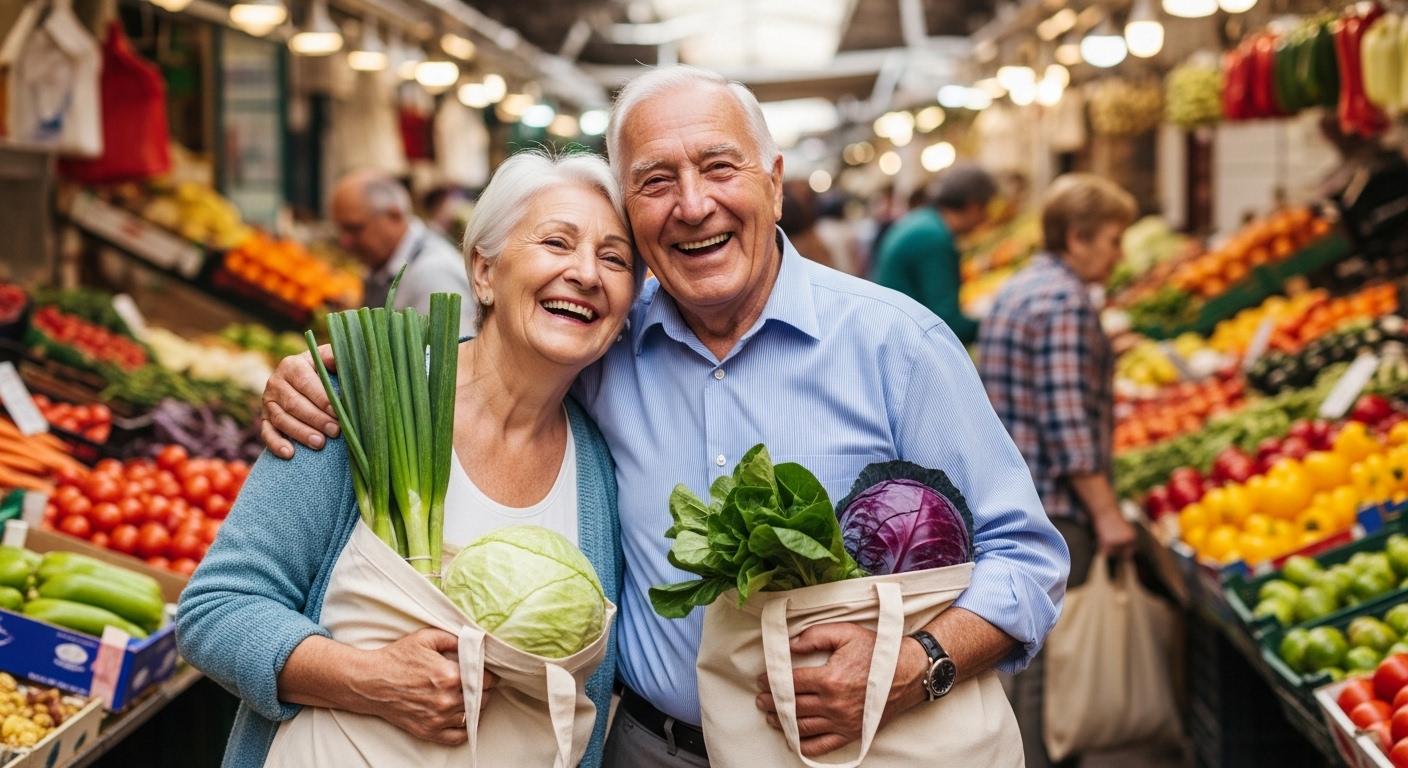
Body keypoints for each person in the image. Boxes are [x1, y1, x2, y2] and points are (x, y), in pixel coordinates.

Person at [258, 65, 1069, 767]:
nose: (692, 205)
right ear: (632, 214)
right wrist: (343, 380)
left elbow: (1026, 557)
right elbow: (504, 346)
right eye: (653, 181)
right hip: (649, 751)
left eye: (719, 167)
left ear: (774, 182)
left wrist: (919, 659)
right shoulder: (601, 347)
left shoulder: (898, 345)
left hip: (852, 753)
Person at [177, 151, 635, 768]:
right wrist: (367, 677)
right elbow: (214, 611)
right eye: (557, 242)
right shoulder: (365, 406)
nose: (586, 273)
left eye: (615, 258)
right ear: (483, 272)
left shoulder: (600, 468)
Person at [976, 173, 1140, 768]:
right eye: (1114, 241)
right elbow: (1068, 423)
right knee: (1053, 662)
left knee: (1027, 658)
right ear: (1078, 236)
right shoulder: (1065, 301)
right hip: (1055, 505)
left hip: (1015, 493)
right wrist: (1108, 514)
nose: (1119, 255)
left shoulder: (1023, 287)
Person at [331, 170, 477, 337]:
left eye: (355, 228)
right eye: (341, 230)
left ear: (394, 215)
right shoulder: (382, 265)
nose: (345, 242)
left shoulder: (433, 275)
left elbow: (450, 358)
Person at [871, 164, 996, 345]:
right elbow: (947, 323)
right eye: (986, 209)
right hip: (905, 343)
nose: (986, 219)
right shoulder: (933, 237)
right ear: (973, 205)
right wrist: (1000, 323)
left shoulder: (924, 221)